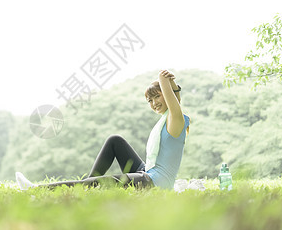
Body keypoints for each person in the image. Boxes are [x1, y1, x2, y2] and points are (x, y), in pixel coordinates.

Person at [15, 69, 190, 191]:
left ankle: (36, 189)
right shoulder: (170, 119)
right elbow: (175, 102)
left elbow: (175, 105)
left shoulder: (176, 120)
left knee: (107, 182)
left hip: (155, 183)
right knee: (115, 141)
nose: (153, 104)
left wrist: (164, 79)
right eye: (149, 101)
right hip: (148, 171)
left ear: (166, 95)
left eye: (157, 96)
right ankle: (86, 184)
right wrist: (173, 85)